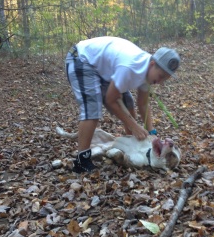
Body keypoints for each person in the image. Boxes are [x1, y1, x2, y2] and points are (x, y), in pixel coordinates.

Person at [65, 36, 181, 173]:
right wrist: (134, 126)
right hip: (81, 58)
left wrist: (152, 134)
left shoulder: (147, 74)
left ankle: (133, 143)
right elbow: (110, 100)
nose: (160, 81)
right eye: (161, 76)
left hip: (103, 69)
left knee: (128, 102)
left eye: (165, 79)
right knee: (92, 108)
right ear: (152, 64)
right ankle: (81, 161)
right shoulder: (131, 66)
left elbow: (143, 104)